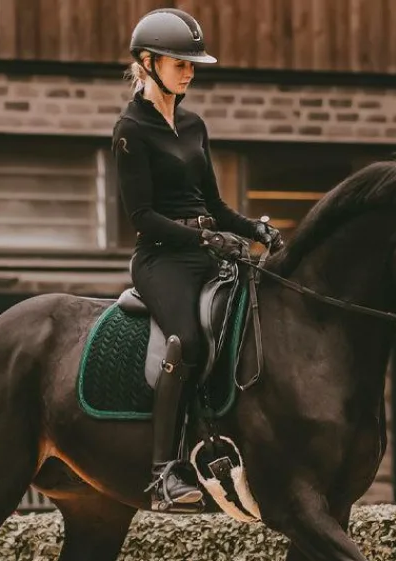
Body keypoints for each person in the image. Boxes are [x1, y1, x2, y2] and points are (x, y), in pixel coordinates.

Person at [113, 8, 283, 513]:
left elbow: (215, 206)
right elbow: (141, 217)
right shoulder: (130, 130)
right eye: (180, 63)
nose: (190, 72)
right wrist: (205, 242)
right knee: (185, 340)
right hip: (162, 259)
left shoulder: (193, 124)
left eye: (193, 65)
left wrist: (257, 231)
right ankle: (164, 471)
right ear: (147, 63)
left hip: (208, 252)